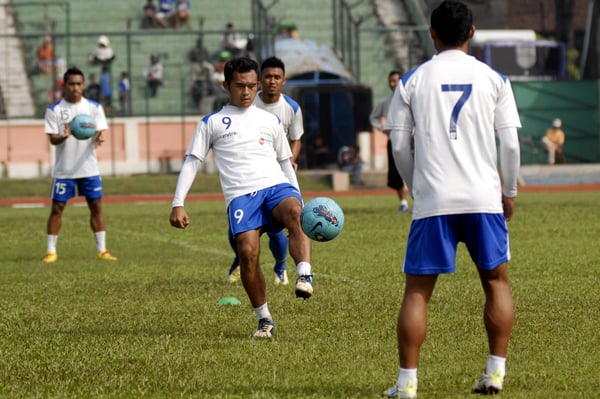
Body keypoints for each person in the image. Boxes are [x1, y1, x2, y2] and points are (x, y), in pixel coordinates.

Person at [382, 1, 521, 398]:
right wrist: (508, 192)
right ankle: (495, 373)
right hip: (482, 197)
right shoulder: (494, 78)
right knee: (496, 282)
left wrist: (414, 186)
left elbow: (398, 145)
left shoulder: (412, 80)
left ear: (431, 32)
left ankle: (407, 383)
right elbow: (509, 144)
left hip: (434, 200)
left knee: (417, 292)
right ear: (472, 31)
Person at [169, 56, 314, 338]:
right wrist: (178, 202)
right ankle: (265, 319)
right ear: (226, 85)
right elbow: (192, 161)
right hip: (241, 197)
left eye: (251, 86)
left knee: (295, 213)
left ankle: (304, 274)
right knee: (248, 253)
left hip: (275, 186)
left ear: (257, 85)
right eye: (239, 86)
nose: (246, 92)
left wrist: (298, 196)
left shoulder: (270, 120)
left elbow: (285, 162)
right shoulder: (212, 123)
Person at [227, 56, 305, 286]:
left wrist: (291, 160)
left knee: (275, 228)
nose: (272, 81)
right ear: (260, 81)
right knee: (236, 230)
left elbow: (296, 139)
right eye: (268, 77)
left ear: (284, 80)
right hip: (248, 174)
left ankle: (280, 266)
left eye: (277, 77)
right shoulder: (248, 103)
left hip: (277, 174)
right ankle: (240, 259)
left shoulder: (291, 108)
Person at [42, 66, 118, 264]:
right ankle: (51, 251)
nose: (75, 87)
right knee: (57, 208)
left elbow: (99, 131)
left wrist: (99, 136)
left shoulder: (94, 108)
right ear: (64, 85)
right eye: (71, 84)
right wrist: (64, 136)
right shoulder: (55, 110)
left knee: (96, 207)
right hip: (64, 169)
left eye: (79, 84)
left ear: (83, 85)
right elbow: (52, 140)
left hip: (89, 168)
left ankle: (102, 250)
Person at [370, 70, 410, 212]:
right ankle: (403, 202)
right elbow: (373, 117)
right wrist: (383, 128)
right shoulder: (385, 101)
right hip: (394, 141)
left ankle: (419, 201)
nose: (392, 84)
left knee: (417, 171)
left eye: (395, 81)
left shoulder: (410, 97)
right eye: (390, 81)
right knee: (396, 173)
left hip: (411, 141)